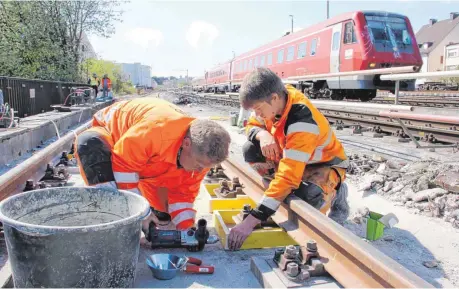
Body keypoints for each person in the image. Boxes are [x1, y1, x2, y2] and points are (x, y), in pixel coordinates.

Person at [228, 68, 350, 250]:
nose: (258, 114)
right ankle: (276, 196)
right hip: (294, 159)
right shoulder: (270, 103)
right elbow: (252, 126)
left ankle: (336, 192)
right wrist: (263, 135)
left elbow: (287, 177)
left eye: (259, 109)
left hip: (323, 165)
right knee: (250, 149)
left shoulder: (302, 120)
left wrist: (251, 221)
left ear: (275, 98)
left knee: (308, 196)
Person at [74, 97, 231, 235]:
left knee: (162, 216)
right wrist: (141, 213)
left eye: (204, 167)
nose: (200, 171)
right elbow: (123, 165)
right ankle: (112, 220)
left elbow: (183, 197)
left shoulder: (199, 158)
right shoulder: (155, 131)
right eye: (198, 165)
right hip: (113, 138)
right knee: (90, 145)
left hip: (147, 163)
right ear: (187, 144)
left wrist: (187, 230)